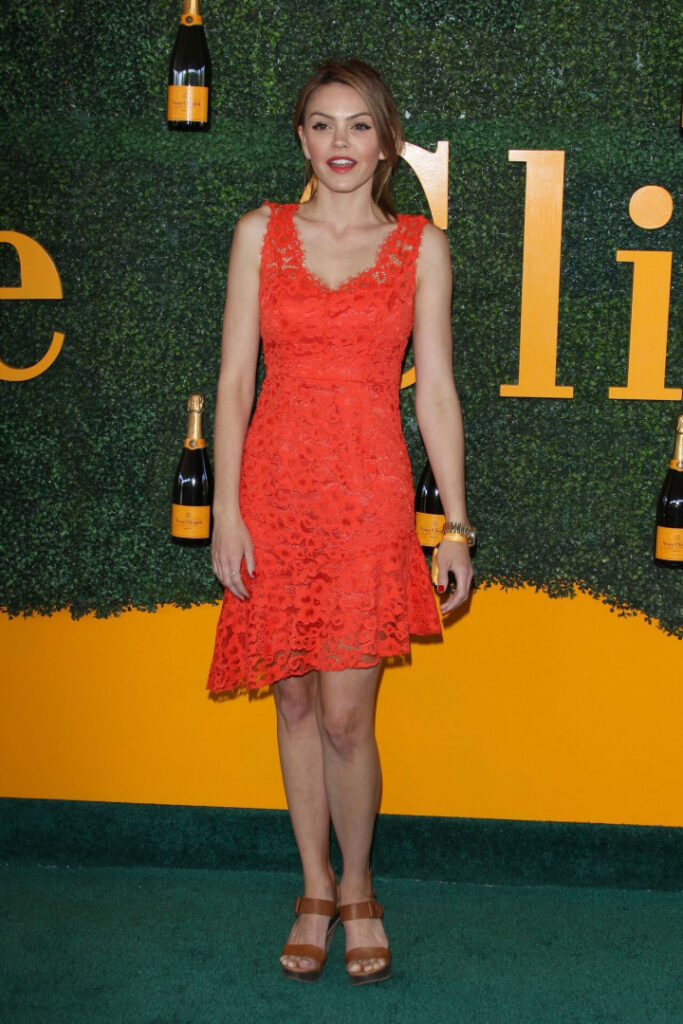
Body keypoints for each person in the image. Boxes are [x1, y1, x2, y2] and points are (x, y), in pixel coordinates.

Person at [207, 58, 473, 985]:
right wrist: (226, 513)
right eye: (322, 124)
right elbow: (233, 383)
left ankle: (360, 885)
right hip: (272, 493)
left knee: (348, 717)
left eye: (359, 125)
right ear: (300, 138)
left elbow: (435, 393)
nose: (340, 142)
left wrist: (455, 525)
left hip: (367, 493)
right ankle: (314, 888)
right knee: (291, 700)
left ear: (387, 141)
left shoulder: (419, 248)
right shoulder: (259, 233)